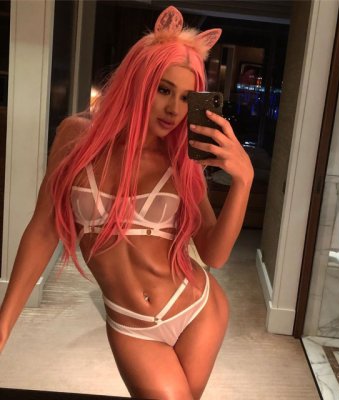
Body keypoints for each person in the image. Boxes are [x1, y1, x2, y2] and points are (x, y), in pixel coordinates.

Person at [0, 6, 254, 399]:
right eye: (163, 89)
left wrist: (243, 181)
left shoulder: (181, 158)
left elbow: (214, 254)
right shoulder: (76, 136)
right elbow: (44, 228)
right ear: (138, 80)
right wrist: (4, 324)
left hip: (198, 309)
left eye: (186, 97)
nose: (174, 109)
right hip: (132, 326)